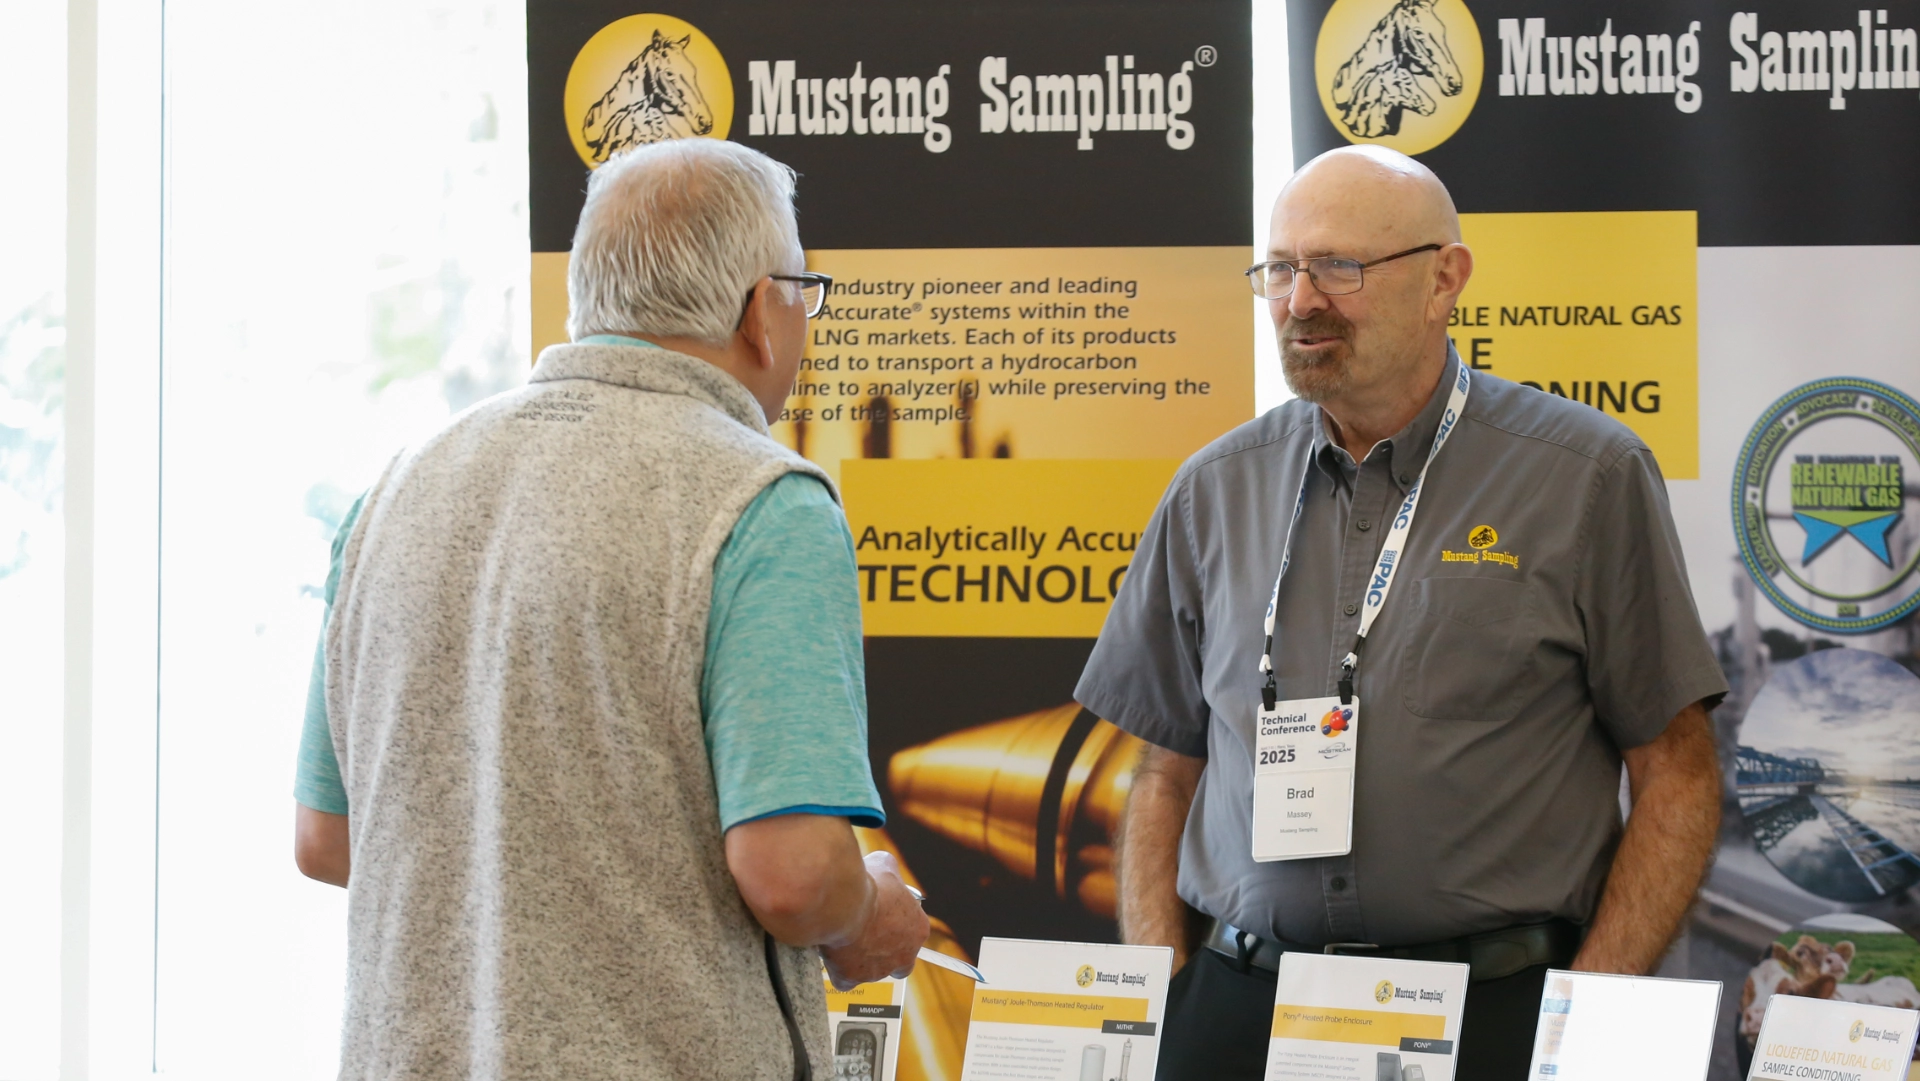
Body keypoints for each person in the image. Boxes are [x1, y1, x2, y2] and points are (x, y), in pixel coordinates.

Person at [1074, 146, 1725, 1079]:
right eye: (1281, 269)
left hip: (1493, 1012)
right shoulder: (1213, 489)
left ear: (1444, 280)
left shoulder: (1585, 476)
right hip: (1242, 1007)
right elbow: (1163, 773)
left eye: (1340, 266)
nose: (1301, 301)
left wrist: (1590, 1019)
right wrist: (1165, 988)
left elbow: (1676, 772)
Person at [291, 138, 927, 1081]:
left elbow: (328, 838)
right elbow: (795, 875)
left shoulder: (394, 491)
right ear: (762, 312)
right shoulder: (761, 501)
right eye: (803, 291)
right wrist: (870, 910)